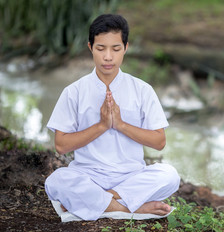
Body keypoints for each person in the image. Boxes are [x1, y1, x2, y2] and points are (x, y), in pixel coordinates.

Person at [45, 14, 180, 221]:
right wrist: (101, 126)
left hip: (131, 176)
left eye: (115, 49)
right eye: (101, 49)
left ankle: (101, 202)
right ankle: (131, 208)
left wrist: (120, 124)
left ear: (126, 47)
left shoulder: (143, 90)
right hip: (89, 175)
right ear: (90, 47)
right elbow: (61, 145)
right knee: (57, 181)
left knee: (170, 175)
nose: (108, 57)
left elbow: (159, 141)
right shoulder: (74, 92)